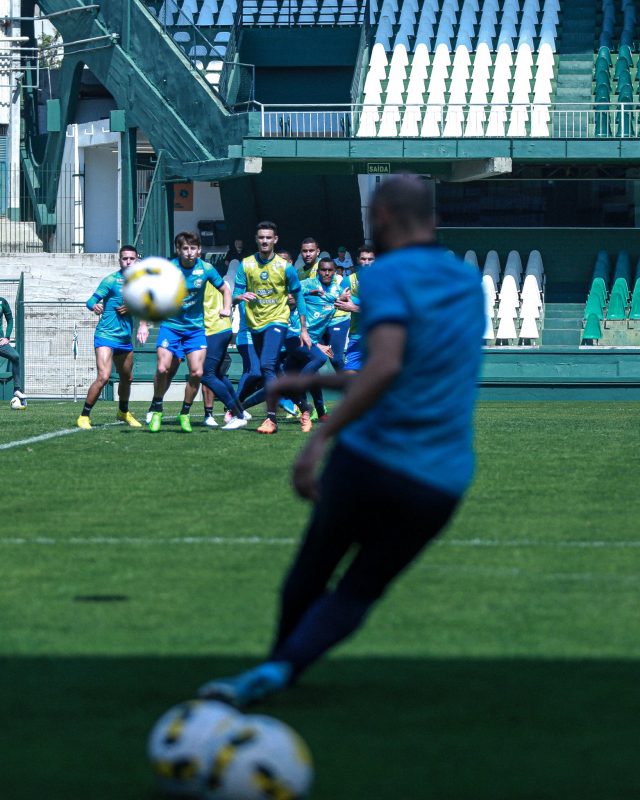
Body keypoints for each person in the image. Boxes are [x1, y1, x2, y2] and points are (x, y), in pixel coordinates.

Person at [198, 174, 485, 706]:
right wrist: (314, 383)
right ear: (435, 220)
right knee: (360, 588)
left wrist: (318, 438)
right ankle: (281, 672)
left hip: (374, 457)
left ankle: (272, 669)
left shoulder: (387, 274)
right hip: (443, 476)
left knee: (312, 571)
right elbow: (410, 371)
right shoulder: (467, 284)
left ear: (380, 218)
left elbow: (385, 366)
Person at [147, 231, 233, 433]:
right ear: (178, 250)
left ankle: (184, 413)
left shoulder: (206, 269)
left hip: (194, 329)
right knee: (162, 368)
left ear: (199, 250)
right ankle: (157, 408)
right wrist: (144, 323)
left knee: (197, 372)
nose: (189, 252)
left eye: (193, 248)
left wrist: (227, 308)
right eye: (185, 248)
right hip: (171, 326)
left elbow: (225, 290)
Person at [233, 221, 312, 435]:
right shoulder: (246, 264)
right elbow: (235, 294)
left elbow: (299, 296)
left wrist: (304, 329)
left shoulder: (285, 267)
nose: (265, 241)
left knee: (266, 365)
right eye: (261, 237)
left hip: (277, 320)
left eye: (268, 237)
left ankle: (271, 419)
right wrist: (239, 296)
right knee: (275, 371)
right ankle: (304, 407)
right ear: (256, 239)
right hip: (255, 323)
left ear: (275, 239)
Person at [76, 245, 148, 429]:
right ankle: (84, 416)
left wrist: (142, 323)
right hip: (106, 335)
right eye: (125, 258)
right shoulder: (111, 280)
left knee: (127, 378)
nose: (129, 262)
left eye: (132, 258)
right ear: (120, 260)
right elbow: (91, 301)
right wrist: (95, 306)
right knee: (104, 377)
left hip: (124, 339)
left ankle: (123, 412)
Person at [334, 245, 376, 373]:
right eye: (363, 259)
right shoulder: (349, 280)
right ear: (357, 260)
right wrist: (340, 298)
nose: (366, 263)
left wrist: (354, 307)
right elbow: (336, 303)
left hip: (378, 337)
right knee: (349, 375)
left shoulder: (385, 281)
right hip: (356, 336)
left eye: (370, 259)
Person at [0, 294, 26, 408]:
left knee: (15, 356)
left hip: (0, 342)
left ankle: (17, 389)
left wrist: (7, 337)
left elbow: (10, 319)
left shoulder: (2, 302)